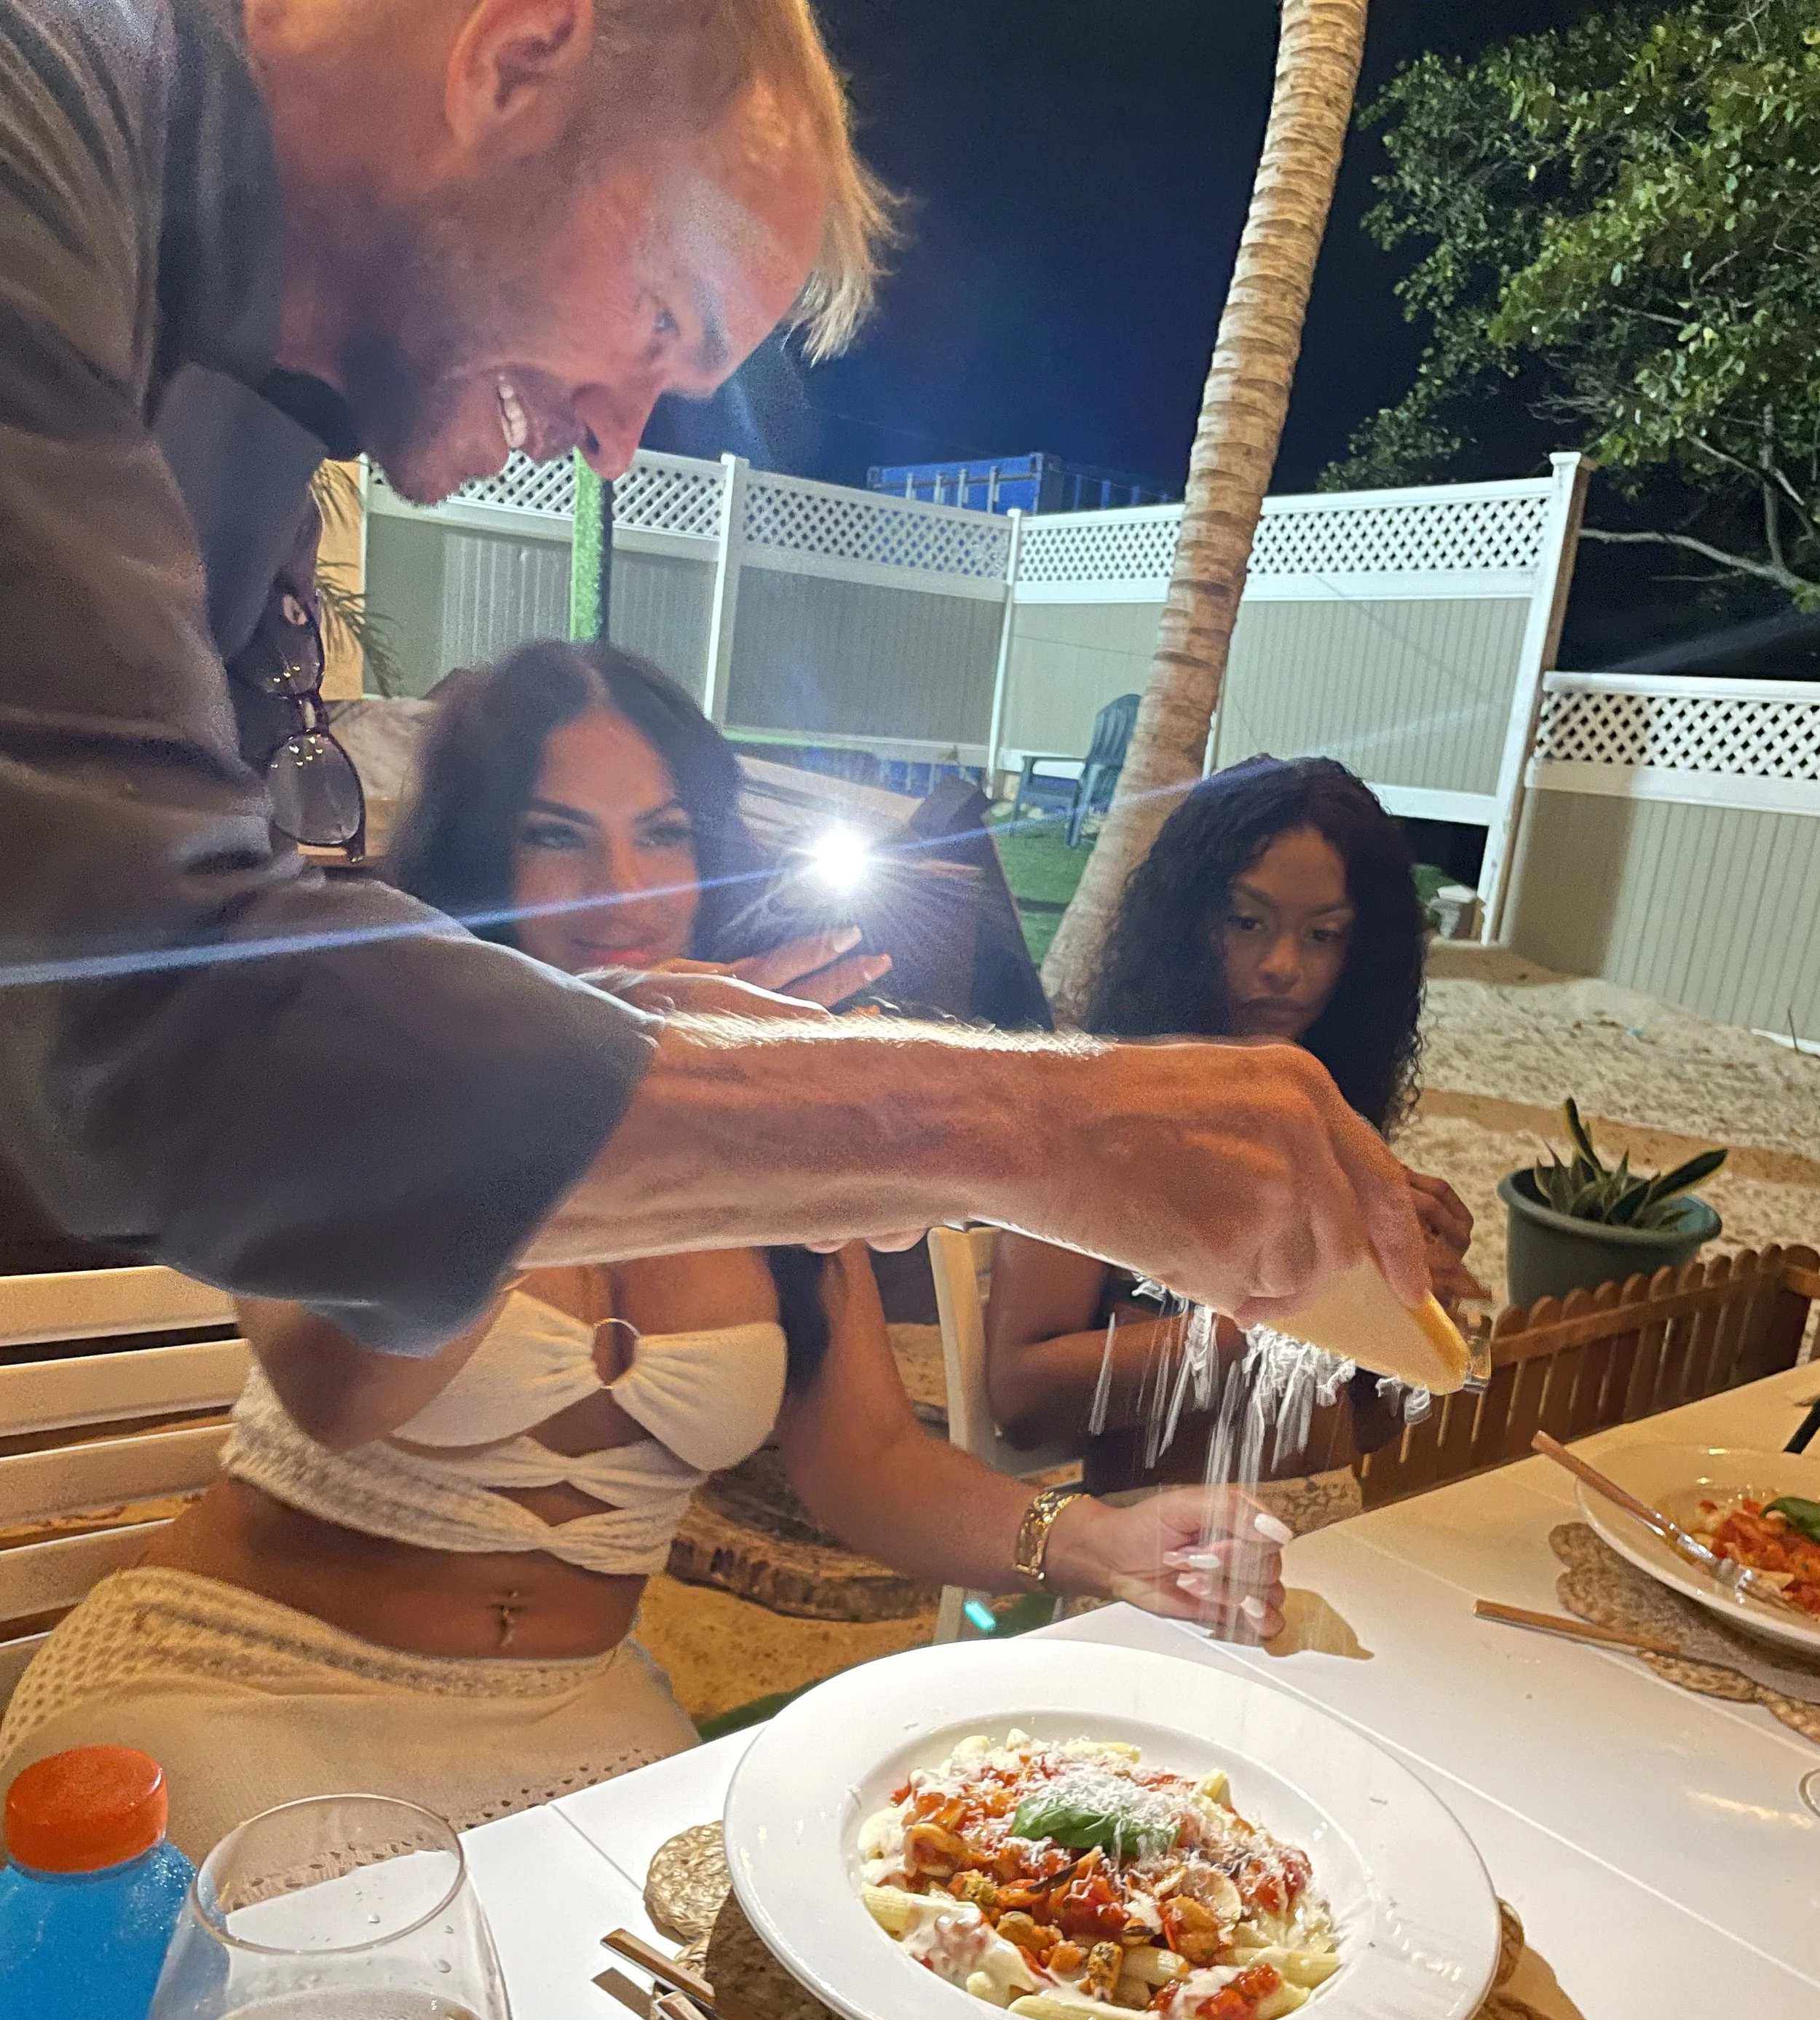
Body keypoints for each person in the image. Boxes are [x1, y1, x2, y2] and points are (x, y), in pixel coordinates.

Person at [0, 0, 1427, 1382]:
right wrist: (1010, 1126)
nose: (615, 444)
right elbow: (143, 1026)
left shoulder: (234, 359)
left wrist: (632, 1035)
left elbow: (255, 1029)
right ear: (516, 55)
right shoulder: (39, 116)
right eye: (658, 322)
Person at [0, 645, 1287, 1858]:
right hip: (244, 1676)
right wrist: (562, 1094)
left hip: (575, 1710)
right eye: (556, 834)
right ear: (480, 852)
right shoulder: (349, 1070)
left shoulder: (753, 1131)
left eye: (660, 832)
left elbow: (869, 1461)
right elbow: (341, 1396)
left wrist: (1093, 1540)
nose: (620, 887)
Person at [986, 759, 1477, 1532]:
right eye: (1246, 922)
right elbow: (1021, 1398)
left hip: (1337, 1529)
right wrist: (1291, 1316)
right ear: (1185, 924)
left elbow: (1372, 1431)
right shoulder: (1097, 1120)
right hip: (1154, 1543)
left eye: (1323, 936)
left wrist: (1411, 1318)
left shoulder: (1334, 1129)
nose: (1283, 967)